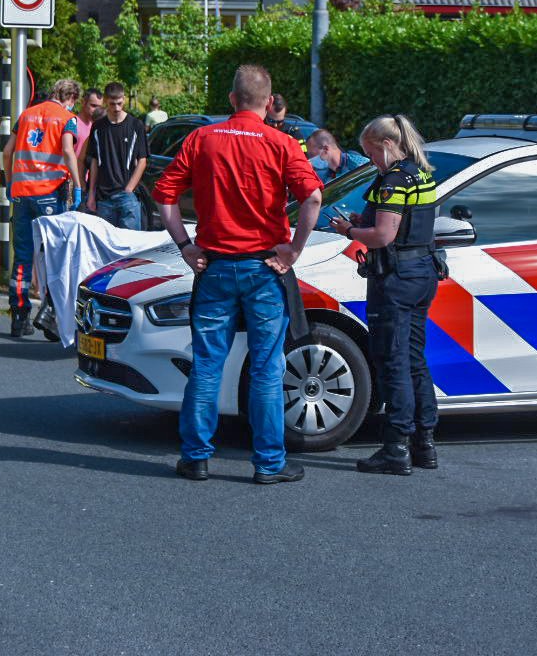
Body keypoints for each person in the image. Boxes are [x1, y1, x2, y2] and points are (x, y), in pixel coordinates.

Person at [153, 64, 323, 485]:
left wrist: (184, 245)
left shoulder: (202, 139)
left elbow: (165, 196)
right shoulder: (282, 143)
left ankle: (195, 457)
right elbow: (314, 197)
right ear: (269, 103)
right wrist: (294, 249)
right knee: (266, 366)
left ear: (231, 99)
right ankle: (268, 463)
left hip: (213, 265)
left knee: (207, 364)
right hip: (264, 267)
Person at [328, 113, 440, 475]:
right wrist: (367, 223)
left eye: (373, 153)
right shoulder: (422, 174)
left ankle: (395, 448)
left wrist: (349, 230)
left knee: (393, 362)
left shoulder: (393, 181)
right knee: (415, 359)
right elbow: (406, 224)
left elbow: (384, 236)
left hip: (396, 278)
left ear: (388, 145)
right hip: (423, 270)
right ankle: (425, 444)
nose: (371, 160)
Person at [2, 79, 85, 338]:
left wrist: (10, 182)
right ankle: (51, 315)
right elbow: (69, 152)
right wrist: (78, 186)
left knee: (23, 258)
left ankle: (19, 317)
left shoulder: (25, 115)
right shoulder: (66, 118)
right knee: (54, 258)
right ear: (70, 97)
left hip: (21, 195)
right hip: (50, 196)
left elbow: (7, 151)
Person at [85, 82, 148, 230]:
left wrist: (129, 189)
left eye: (119, 103)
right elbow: (94, 161)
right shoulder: (98, 127)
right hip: (104, 197)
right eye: (112, 104)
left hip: (127, 196)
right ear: (106, 101)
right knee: (106, 248)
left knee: (131, 247)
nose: (116, 108)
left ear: (124, 99)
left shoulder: (135, 125)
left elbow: (142, 160)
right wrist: (92, 194)